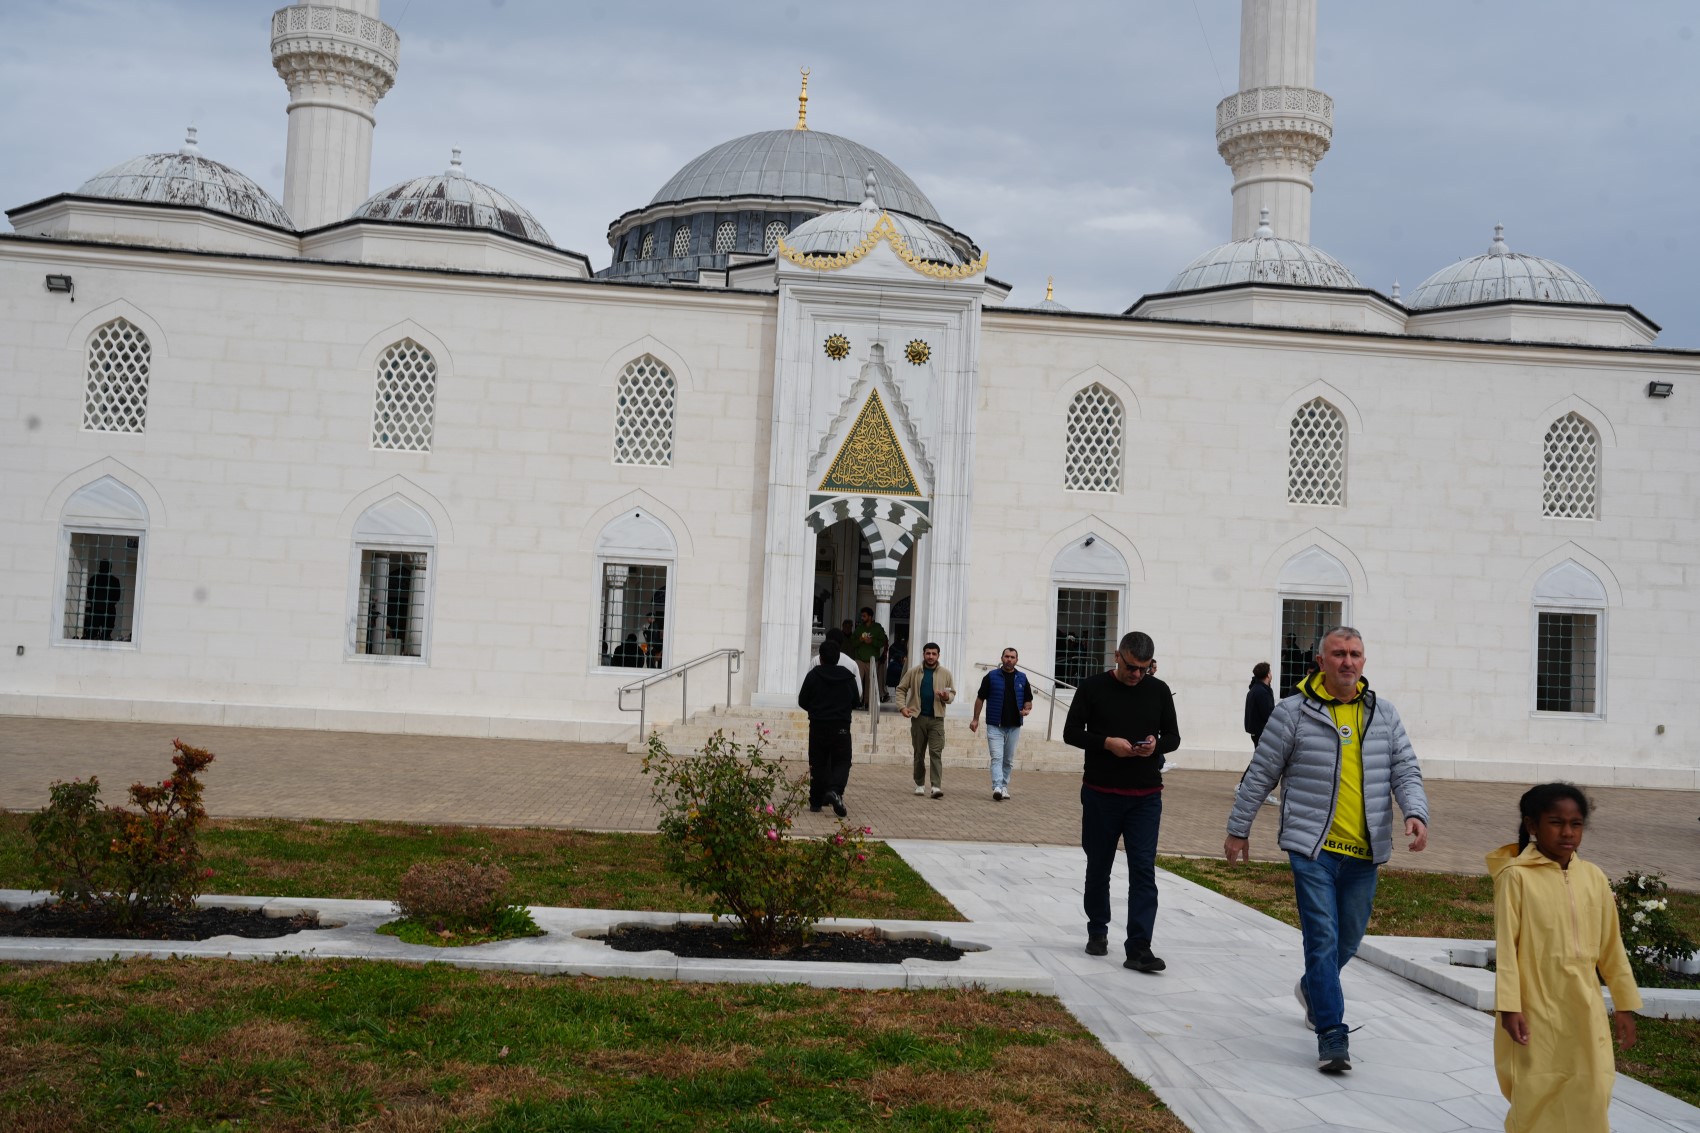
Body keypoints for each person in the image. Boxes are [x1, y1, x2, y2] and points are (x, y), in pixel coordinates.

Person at [1224, 626, 1429, 1075]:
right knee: (1321, 938)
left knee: (1348, 939)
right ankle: (1332, 1032)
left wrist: (1415, 811)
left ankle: (1313, 989)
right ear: (1321, 661)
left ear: (1364, 662)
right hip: (1312, 848)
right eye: (1338, 654)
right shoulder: (1292, 713)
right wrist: (1238, 829)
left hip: (1365, 851)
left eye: (1355, 654)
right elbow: (1260, 773)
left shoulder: (1384, 714)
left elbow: (1406, 769)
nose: (1347, 662)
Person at [1490, 783, 1640, 1133]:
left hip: (1583, 1005)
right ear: (1532, 825)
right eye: (1556, 822)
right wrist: (1510, 1008)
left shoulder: (1594, 878)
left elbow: (1611, 947)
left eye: (1576, 824)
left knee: (1593, 1083)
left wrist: (1624, 1004)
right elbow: (1507, 951)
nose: (1568, 832)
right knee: (1537, 1086)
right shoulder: (1515, 878)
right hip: (1535, 1005)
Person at [1063, 631, 1179, 974]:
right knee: (1099, 865)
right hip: (1101, 794)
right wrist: (1105, 743)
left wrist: (1155, 745)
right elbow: (1071, 732)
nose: (1137, 675)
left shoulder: (1158, 691)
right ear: (1117, 656)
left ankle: (1139, 947)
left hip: (1146, 797)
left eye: (1144, 669)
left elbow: (1173, 736)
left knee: (1143, 871)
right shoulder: (1092, 688)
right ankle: (1097, 928)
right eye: (1131, 667)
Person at [797, 640, 860, 817]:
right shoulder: (848, 676)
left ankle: (816, 801)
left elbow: (803, 700)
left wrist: (816, 710)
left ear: (821, 658)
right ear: (838, 657)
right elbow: (856, 700)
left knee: (818, 763)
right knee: (842, 761)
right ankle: (834, 790)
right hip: (841, 727)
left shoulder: (814, 675)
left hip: (818, 725)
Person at [970, 647, 1033, 801]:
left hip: (1014, 726)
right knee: (997, 757)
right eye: (1006, 656)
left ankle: (1004, 786)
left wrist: (1026, 709)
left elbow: (1028, 700)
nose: (1009, 659)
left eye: (1012, 657)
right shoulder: (991, 677)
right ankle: (997, 786)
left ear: (1017, 660)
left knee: (1008, 760)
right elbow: (980, 698)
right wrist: (975, 718)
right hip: (994, 725)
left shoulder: (1022, 678)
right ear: (1001, 658)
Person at [896, 642, 955, 798]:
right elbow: (901, 689)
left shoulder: (946, 673)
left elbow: (952, 695)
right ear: (923, 654)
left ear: (938, 655)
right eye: (928, 653)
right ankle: (919, 784)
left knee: (936, 752)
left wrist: (946, 696)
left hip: (937, 719)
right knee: (919, 752)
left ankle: (936, 786)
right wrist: (902, 707)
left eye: (934, 654)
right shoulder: (914, 672)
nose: (930, 656)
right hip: (918, 717)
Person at [1242, 661, 1276, 805]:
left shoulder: (1258, 689)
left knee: (1260, 761)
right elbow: (1267, 713)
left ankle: (1248, 787)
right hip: (1262, 731)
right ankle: (1248, 788)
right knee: (1262, 762)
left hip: (1259, 731)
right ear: (1268, 674)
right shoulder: (1261, 691)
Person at [851, 607, 889, 709]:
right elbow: (853, 643)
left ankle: (868, 702)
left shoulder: (877, 628)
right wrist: (860, 640)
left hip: (872, 660)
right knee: (857, 680)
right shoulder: (859, 628)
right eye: (862, 616)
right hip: (859, 659)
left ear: (870, 617)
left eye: (864, 616)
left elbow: (883, 642)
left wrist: (872, 642)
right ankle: (857, 701)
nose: (862, 618)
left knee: (870, 683)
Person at [818, 626, 862, 703]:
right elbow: (858, 693)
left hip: (819, 711)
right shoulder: (851, 664)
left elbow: (804, 697)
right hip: (843, 712)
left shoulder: (816, 662)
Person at [83, 559, 122, 641]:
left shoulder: (94, 579)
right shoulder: (114, 581)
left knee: (93, 634)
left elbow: (89, 594)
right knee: (105, 634)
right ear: (110, 568)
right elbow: (117, 597)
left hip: (97, 610)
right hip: (108, 611)